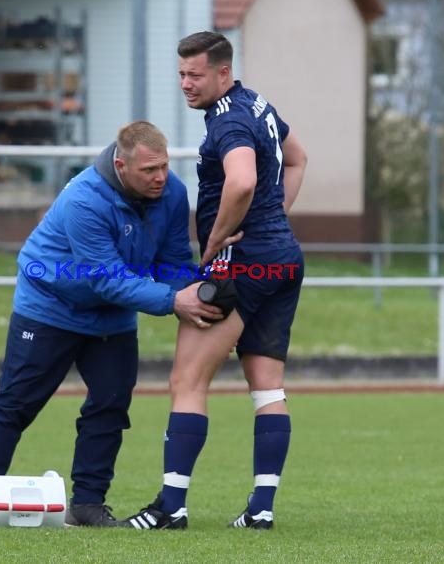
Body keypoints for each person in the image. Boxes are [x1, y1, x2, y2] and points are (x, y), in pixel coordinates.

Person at [0, 120, 229, 527]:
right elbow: (106, 279)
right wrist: (175, 301)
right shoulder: (84, 200)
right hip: (50, 306)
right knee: (15, 404)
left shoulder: (173, 192)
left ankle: (87, 504)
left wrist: (197, 290)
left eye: (163, 166)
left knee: (110, 404)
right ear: (121, 165)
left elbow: (172, 262)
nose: (161, 177)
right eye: (149, 170)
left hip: (112, 317)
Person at [124, 31, 308, 530]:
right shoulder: (258, 103)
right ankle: (261, 509)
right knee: (268, 389)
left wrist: (216, 240)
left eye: (195, 74)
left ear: (222, 73)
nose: (185, 83)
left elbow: (243, 179)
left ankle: (171, 506)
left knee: (187, 380)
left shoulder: (228, 118)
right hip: (282, 257)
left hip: (242, 261)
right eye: (181, 73)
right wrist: (274, 222)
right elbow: (297, 158)